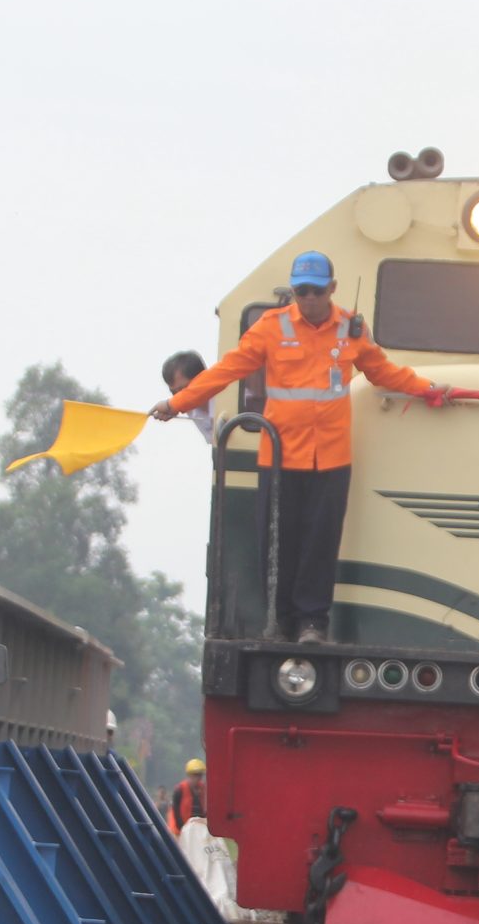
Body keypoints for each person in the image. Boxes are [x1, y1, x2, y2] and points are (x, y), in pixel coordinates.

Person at [151, 251, 455, 643]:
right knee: (277, 543)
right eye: (301, 291)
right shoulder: (270, 327)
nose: (308, 298)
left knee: (320, 544)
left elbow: (384, 372)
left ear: (332, 289)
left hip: (331, 458)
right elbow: (227, 371)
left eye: (316, 291)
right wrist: (176, 403)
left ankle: (312, 623)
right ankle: (278, 621)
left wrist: (429, 390)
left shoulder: (351, 330)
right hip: (279, 457)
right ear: (294, 290)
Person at [161, 351, 215, 445]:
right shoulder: (192, 410)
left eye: (184, 390)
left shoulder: (235, 396)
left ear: (202, 378)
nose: (180, 398)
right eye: (174, 392)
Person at [167, 757, 207, 834]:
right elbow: (176, 811)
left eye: (200, 775)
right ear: (189, 775)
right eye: (196, 775)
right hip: (181, 831)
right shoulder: (180, 789)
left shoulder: (203, 789)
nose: (198, 778)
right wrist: (182, 829)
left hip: (198, 830)